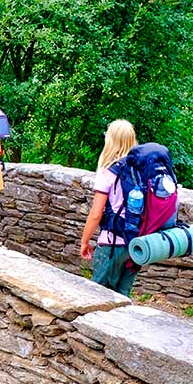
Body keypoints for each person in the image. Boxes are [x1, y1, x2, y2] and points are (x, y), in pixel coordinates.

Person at [80, 119, 140, 297]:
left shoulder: (108, 172)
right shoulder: (141, 170)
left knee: (98, 296)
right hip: (135, 245)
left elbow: (96, 214)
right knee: (123, 297)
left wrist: (85, 241)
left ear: (111, 140)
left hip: (111, 244)